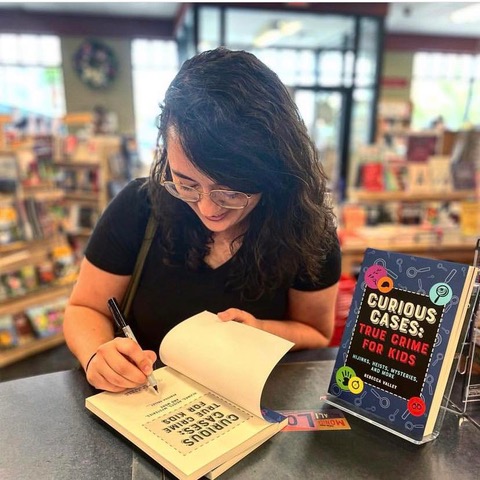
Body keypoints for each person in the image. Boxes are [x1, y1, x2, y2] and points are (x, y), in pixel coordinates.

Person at [63, 47, 341, 393]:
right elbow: (85, 307)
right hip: (141, 403)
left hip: (250, 406)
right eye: (186, 184)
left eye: (230, 191)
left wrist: (261, 329)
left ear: (271, 171)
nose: (208, 208)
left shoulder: (308, 230)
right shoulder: (140, 207)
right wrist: (97, 356)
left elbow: (315, 331)